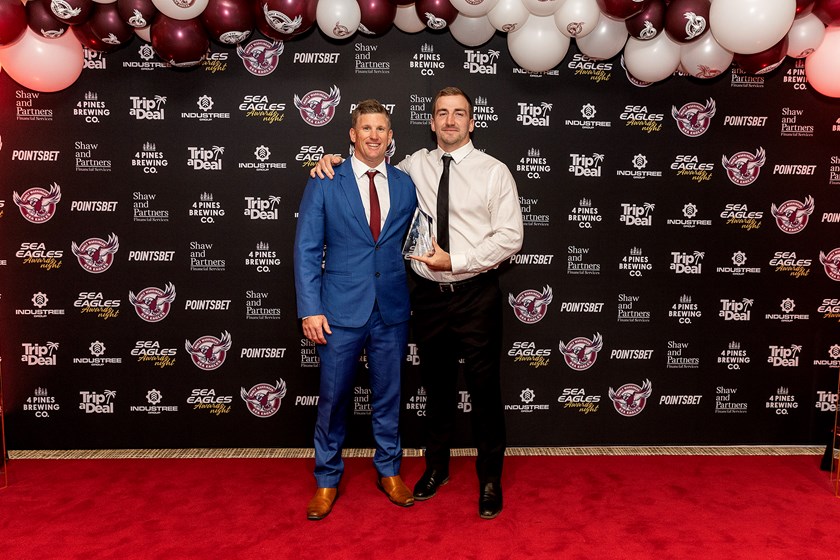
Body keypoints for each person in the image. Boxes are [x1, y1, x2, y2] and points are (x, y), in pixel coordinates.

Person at [312, 87, 524, 520]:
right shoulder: (413, 168)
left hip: (476, 294)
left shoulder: (494, 171)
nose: (450, 121)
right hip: (427, 298)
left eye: (459, 113)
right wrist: (327, 160)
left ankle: (489, 479)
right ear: (431, 123)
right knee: (438, 391)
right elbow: (365, 166)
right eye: (442, 113)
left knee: (484, 393)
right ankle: (437, 469)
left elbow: (510, 237)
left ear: (471, 121)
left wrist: (458, 260)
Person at [294, 99, 418, 521]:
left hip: (391, 310)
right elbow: (308, 249)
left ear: (390, 136)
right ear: (352, 134)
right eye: (366, 128)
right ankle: (327, 480)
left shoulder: (405, 183)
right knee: (332, 400)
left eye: (381, 129)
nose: (373, 136)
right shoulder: (326, 179)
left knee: (389, 396)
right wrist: (310, 309)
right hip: (338, 311)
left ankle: (390, 471)